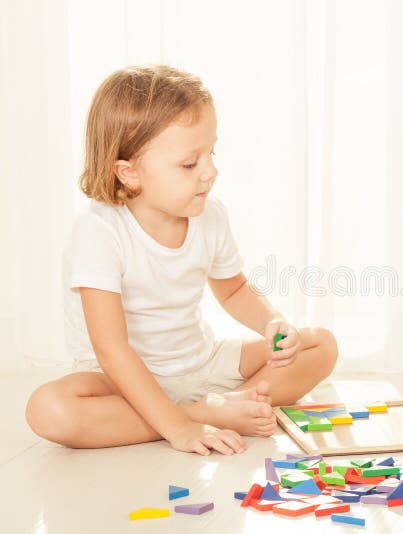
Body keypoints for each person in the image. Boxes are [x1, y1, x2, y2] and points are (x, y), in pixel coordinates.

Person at [25, 65, 338, 456]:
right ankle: (202, 413)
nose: (210, 172)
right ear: (129, 173)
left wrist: (272, 322)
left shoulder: (209, 215)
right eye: (190, 163)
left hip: (199, 363)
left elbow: (235, 289)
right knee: (49, 410)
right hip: (117, 380)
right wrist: (179, 426)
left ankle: (227, 405)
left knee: (320, 344)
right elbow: (112, 350)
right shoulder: (98, 232)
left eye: (211, 153)